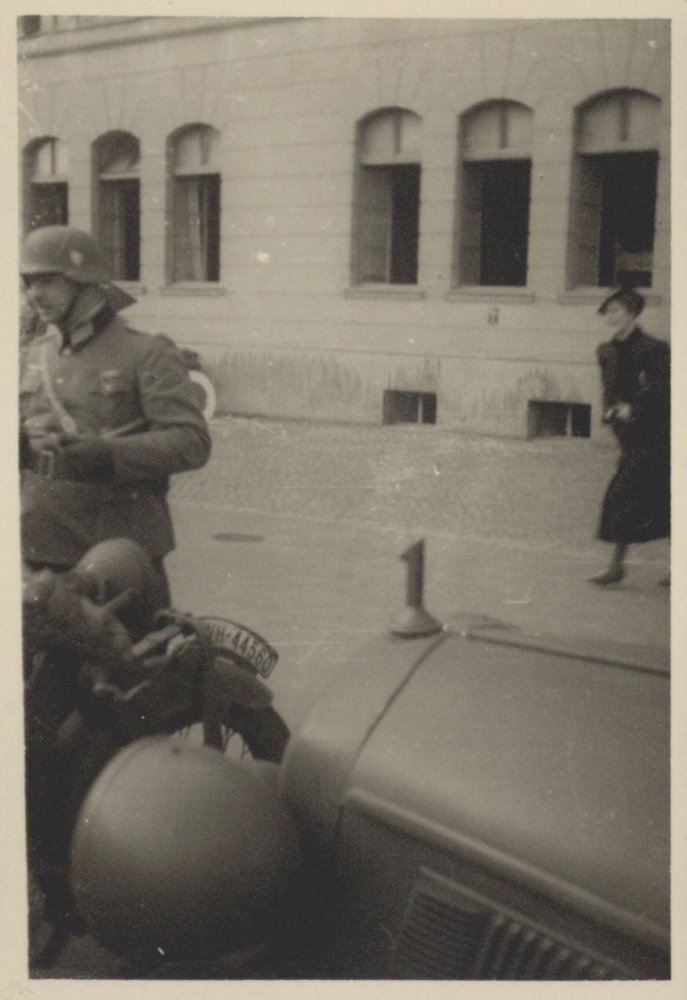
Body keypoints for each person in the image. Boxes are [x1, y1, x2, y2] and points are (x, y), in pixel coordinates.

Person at [19, 225, 212, 600]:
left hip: (117, 554)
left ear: (86, 282)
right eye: (28, 283)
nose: (33, 294)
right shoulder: (35, 352)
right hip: (39, 545)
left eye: (46, 281)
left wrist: (109, 454)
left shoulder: (146, 351)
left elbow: (192, 442)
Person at [588, 287, 670, 586]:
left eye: (616, 311)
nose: (610, 317)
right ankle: (618, 567)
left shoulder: (654, 349)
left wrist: (634, 409)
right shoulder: (606, 351)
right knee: (655, 497)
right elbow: (609, 391)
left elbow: (664, 390)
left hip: (657, 434)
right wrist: (611, 414)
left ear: (633, 314)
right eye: (608, 312)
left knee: (627, 494)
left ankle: (617, 566)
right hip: (630, 436)